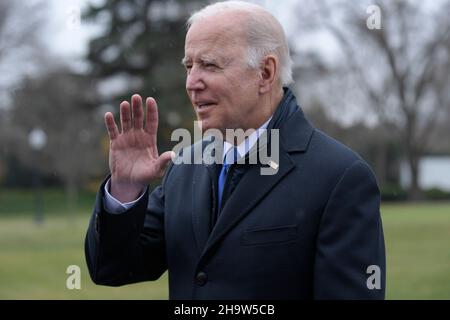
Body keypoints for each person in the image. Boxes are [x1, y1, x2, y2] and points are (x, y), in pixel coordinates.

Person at [85, 1, 386, 299]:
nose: (192, 83)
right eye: (189, 66)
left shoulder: (339, 178)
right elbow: (112, 269)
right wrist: (124, 192)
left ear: (266, 73)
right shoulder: (183, 167)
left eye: (210, 65)